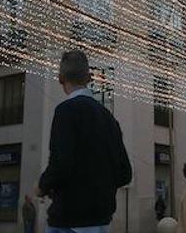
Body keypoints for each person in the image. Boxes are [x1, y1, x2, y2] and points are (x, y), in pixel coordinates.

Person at [37, 50, 133, 233]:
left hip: (69, 220)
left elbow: (60, 164)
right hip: (102, 219)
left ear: (60, 79)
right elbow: (125, 174)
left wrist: (42, 186)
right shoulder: (109, 118)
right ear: (89, 77)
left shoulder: (65, 111)